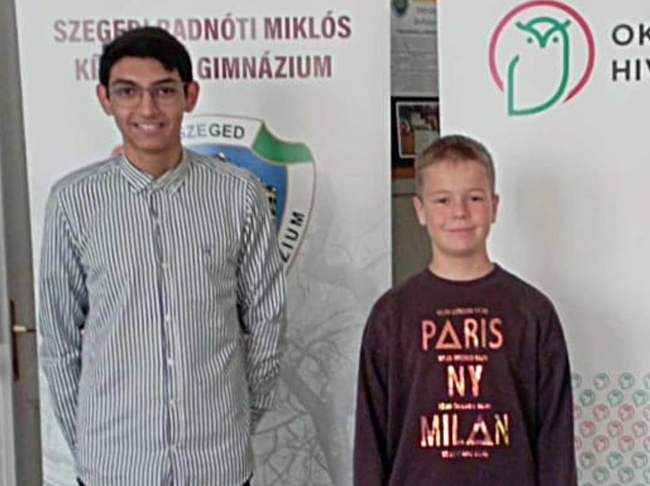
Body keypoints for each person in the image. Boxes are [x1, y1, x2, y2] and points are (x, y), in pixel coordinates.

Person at [39, 26, 287, 486]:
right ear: (104, 99)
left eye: (164, 91)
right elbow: (59, 341)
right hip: (114, 467)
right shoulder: (73, 202)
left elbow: (266, 320)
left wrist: (235, 419)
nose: (147, 109)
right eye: (127, 91)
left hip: (217, 464)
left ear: (190, 96)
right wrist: (91, 440)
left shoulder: (239, 195)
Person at [353, 134, 576, 486]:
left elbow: (555, 441)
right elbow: (370, 442)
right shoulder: (391, 315)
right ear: (420, 210)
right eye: (443, 200)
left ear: (494, 206)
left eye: (474, 198)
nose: (459, 212)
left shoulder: (532, 312)